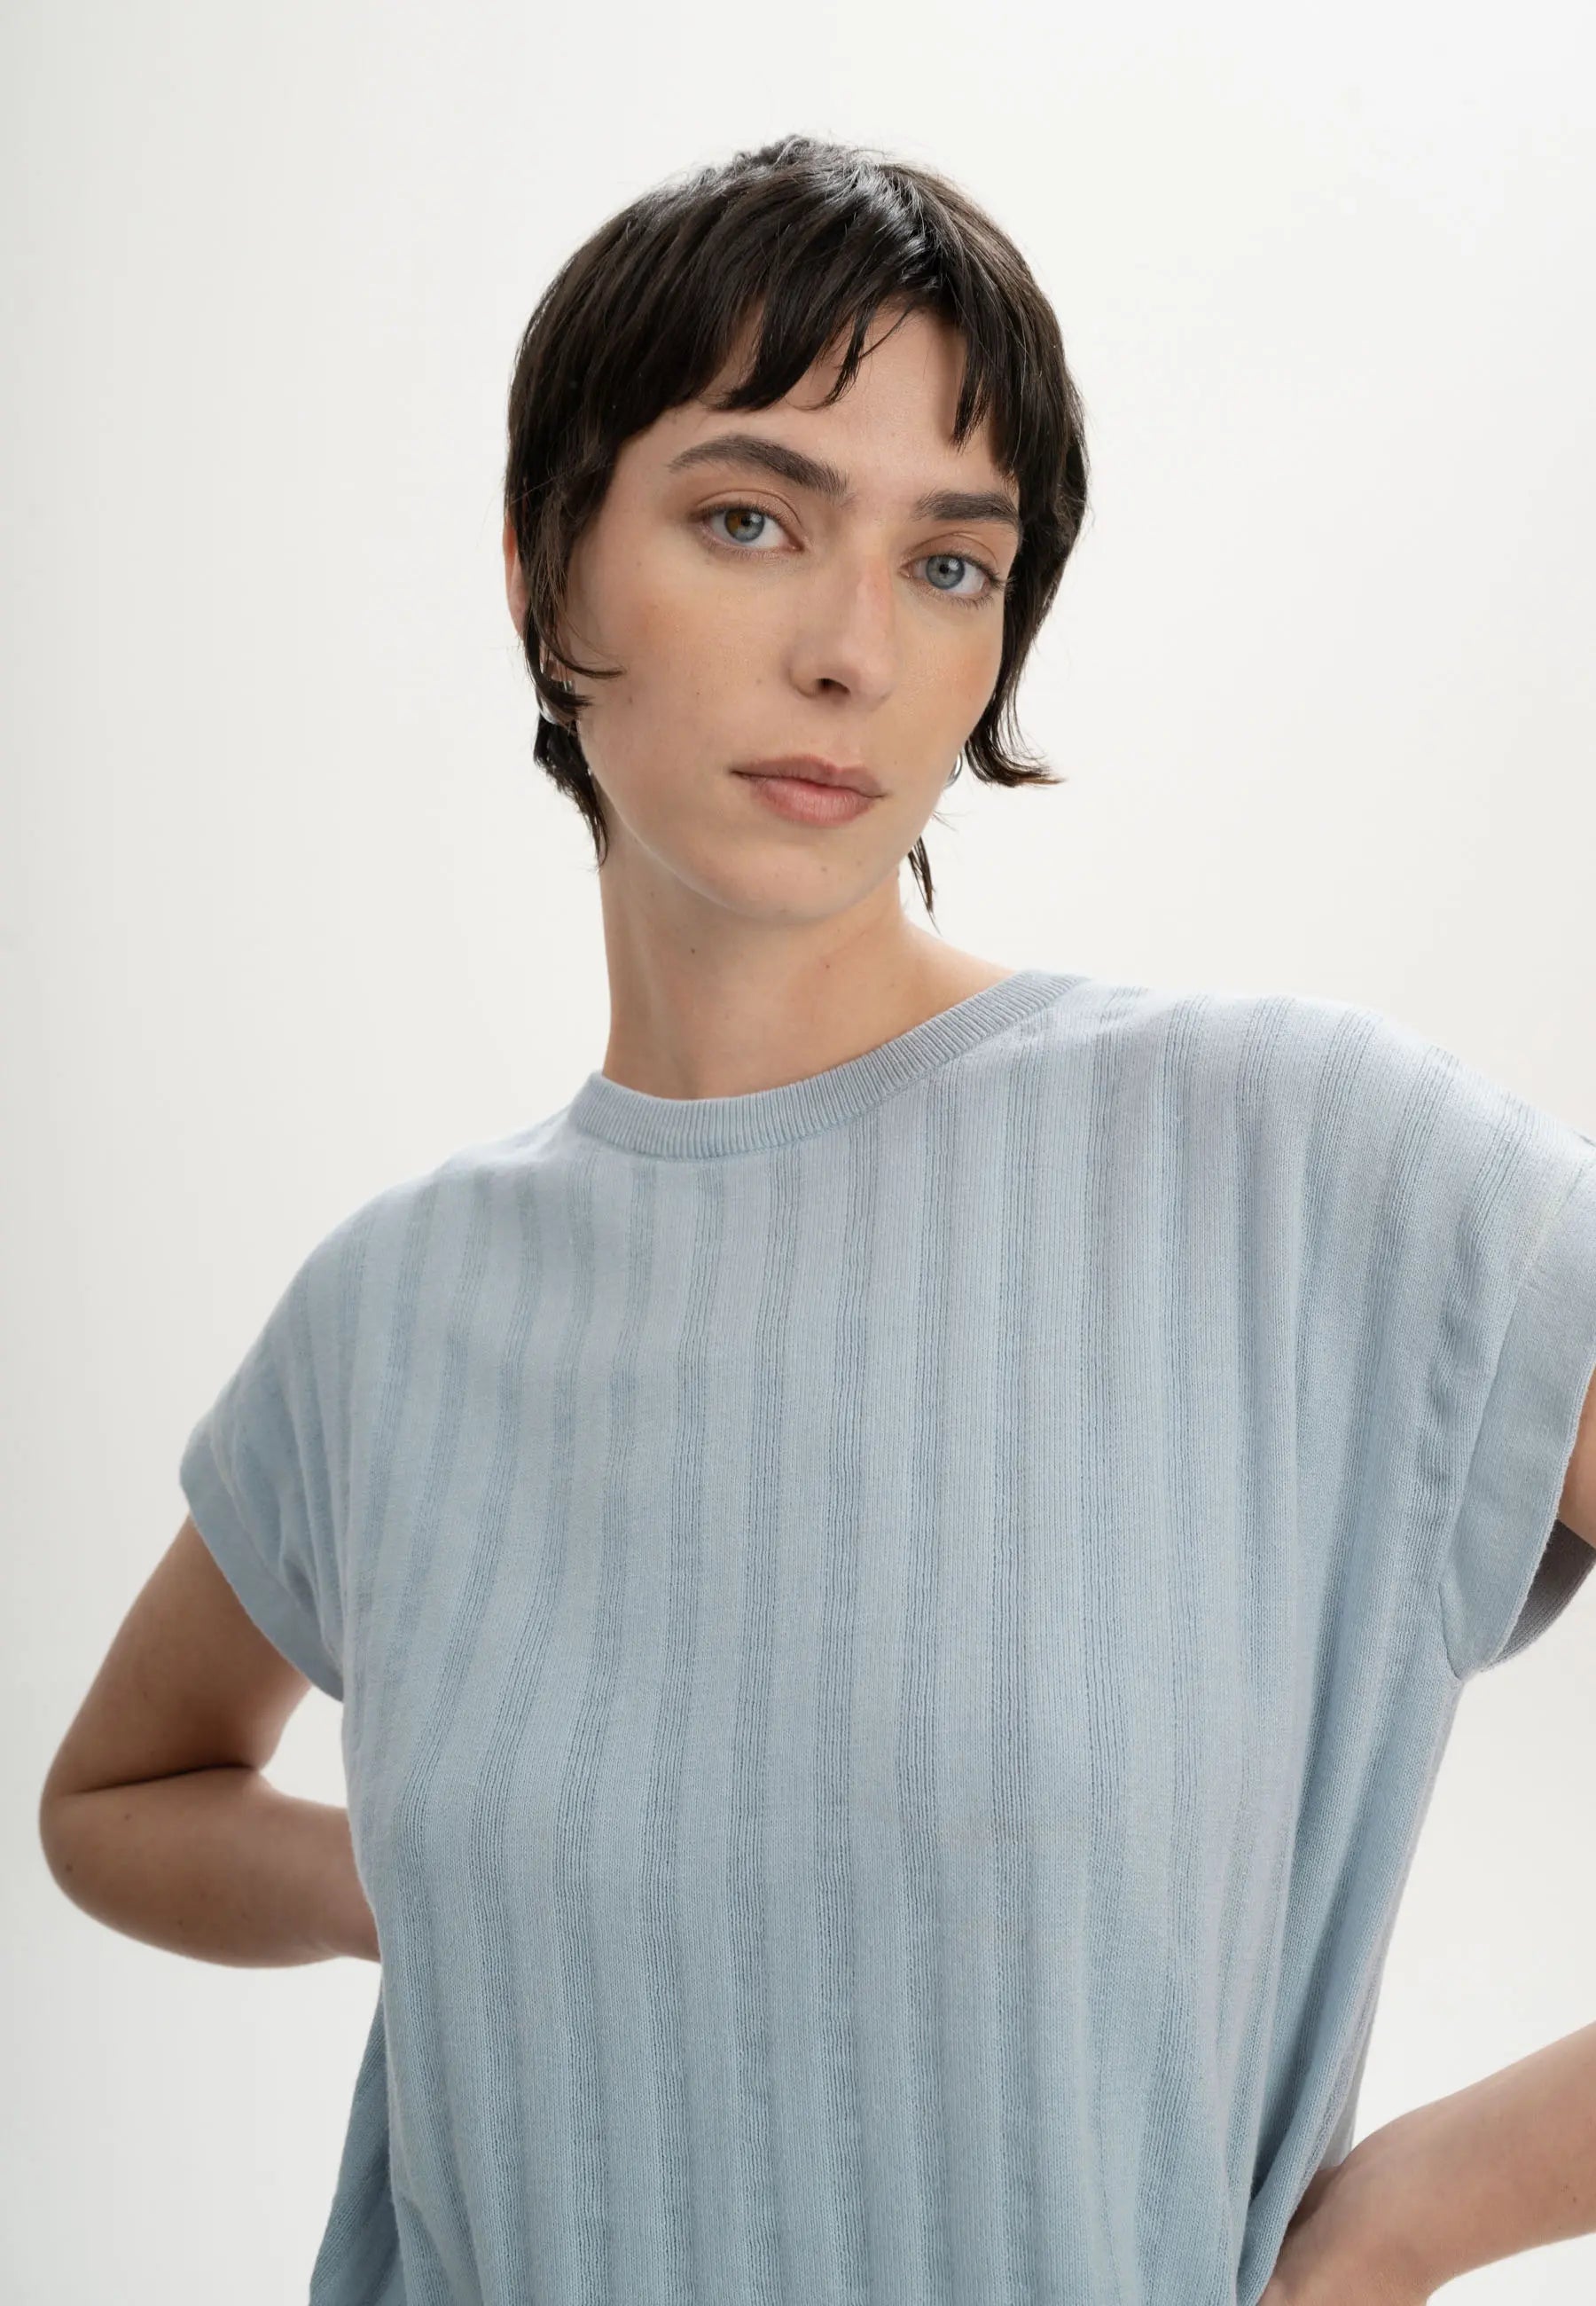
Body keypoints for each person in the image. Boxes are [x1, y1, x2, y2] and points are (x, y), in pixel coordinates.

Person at [37, 134, 1596, 2306]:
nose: (854, 650)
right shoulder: (392, 1314)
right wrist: (411, 1886)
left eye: (950, 563)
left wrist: (1403, 2225)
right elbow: (115, 1800)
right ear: (544, 567)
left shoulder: (1305, 1168)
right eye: (750, 519)